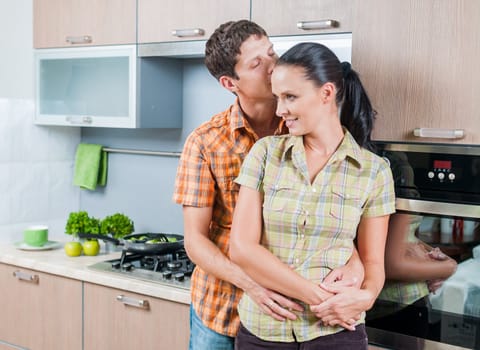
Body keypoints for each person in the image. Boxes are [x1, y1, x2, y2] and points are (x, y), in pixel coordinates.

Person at [173, 21, 364, 350]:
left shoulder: (305, 125)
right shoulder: (205, 142)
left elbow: (334, 215)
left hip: (290, 317)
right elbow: (195, 241)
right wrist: (253, 285)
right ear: (229, 83)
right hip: (221, 308)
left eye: (272, 52)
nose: (274, 65)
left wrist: (356, 265)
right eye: (256, 63)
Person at [229, 42, 396, 349]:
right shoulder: (265, 154)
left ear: (326, 93)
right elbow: (241, 248)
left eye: (290, 97)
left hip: (338, 334)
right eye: (278, 97)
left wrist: (366, 297)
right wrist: (319, 299)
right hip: (267, 332)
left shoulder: (373, 172)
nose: (280, 110)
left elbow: (373, 262)